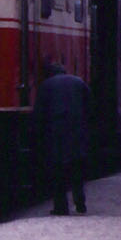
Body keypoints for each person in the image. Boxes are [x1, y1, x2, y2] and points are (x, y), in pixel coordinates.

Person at [32, 59, 92, 215]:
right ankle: (80, 204)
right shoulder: (78, 82)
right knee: (77, 171)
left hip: (56, 134)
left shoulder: (46, 85)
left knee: (58, 172)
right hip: (77, 132)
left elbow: (39, 112)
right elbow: (89, 104)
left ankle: (61, 207)